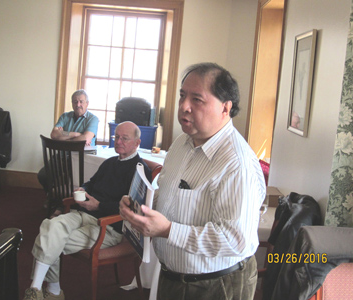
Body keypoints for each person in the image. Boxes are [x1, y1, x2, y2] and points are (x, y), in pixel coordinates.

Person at [120, 63, 266, 300]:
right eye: (182, 96)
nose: (183, 106)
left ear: (225, 108)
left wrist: (167, 230)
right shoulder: (181, 143)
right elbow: (169, 194)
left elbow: (236, 239)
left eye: (197, 99)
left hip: (217, 285)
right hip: (174, 275)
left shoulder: (237, 163)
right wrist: (142, 206)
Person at [24, 121, 152, 300]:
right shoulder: (109, 163)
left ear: (137, 143)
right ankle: (42, 290)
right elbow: (90, 183)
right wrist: (82, 190)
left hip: (109, 226)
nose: (119, 141)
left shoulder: (140, 170)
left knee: (49, 237)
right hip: (84, 214)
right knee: (51, 225)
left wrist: (99, 206)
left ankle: (45, 291)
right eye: (117, 137)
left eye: (125, 138)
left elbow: (133, 209)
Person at [37, 89, 98, 212]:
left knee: (71, 183)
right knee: (43, 175)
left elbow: (85, 138)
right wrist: (74, 134)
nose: (78, 104)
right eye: (75, 102)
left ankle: (61, 204)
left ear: (87, 103)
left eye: (81, 101)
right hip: (62, 156)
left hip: (81, 159)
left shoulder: (93, 119)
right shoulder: (65, 116)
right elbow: (54, 134)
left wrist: (63, 137)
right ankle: (52, 196)